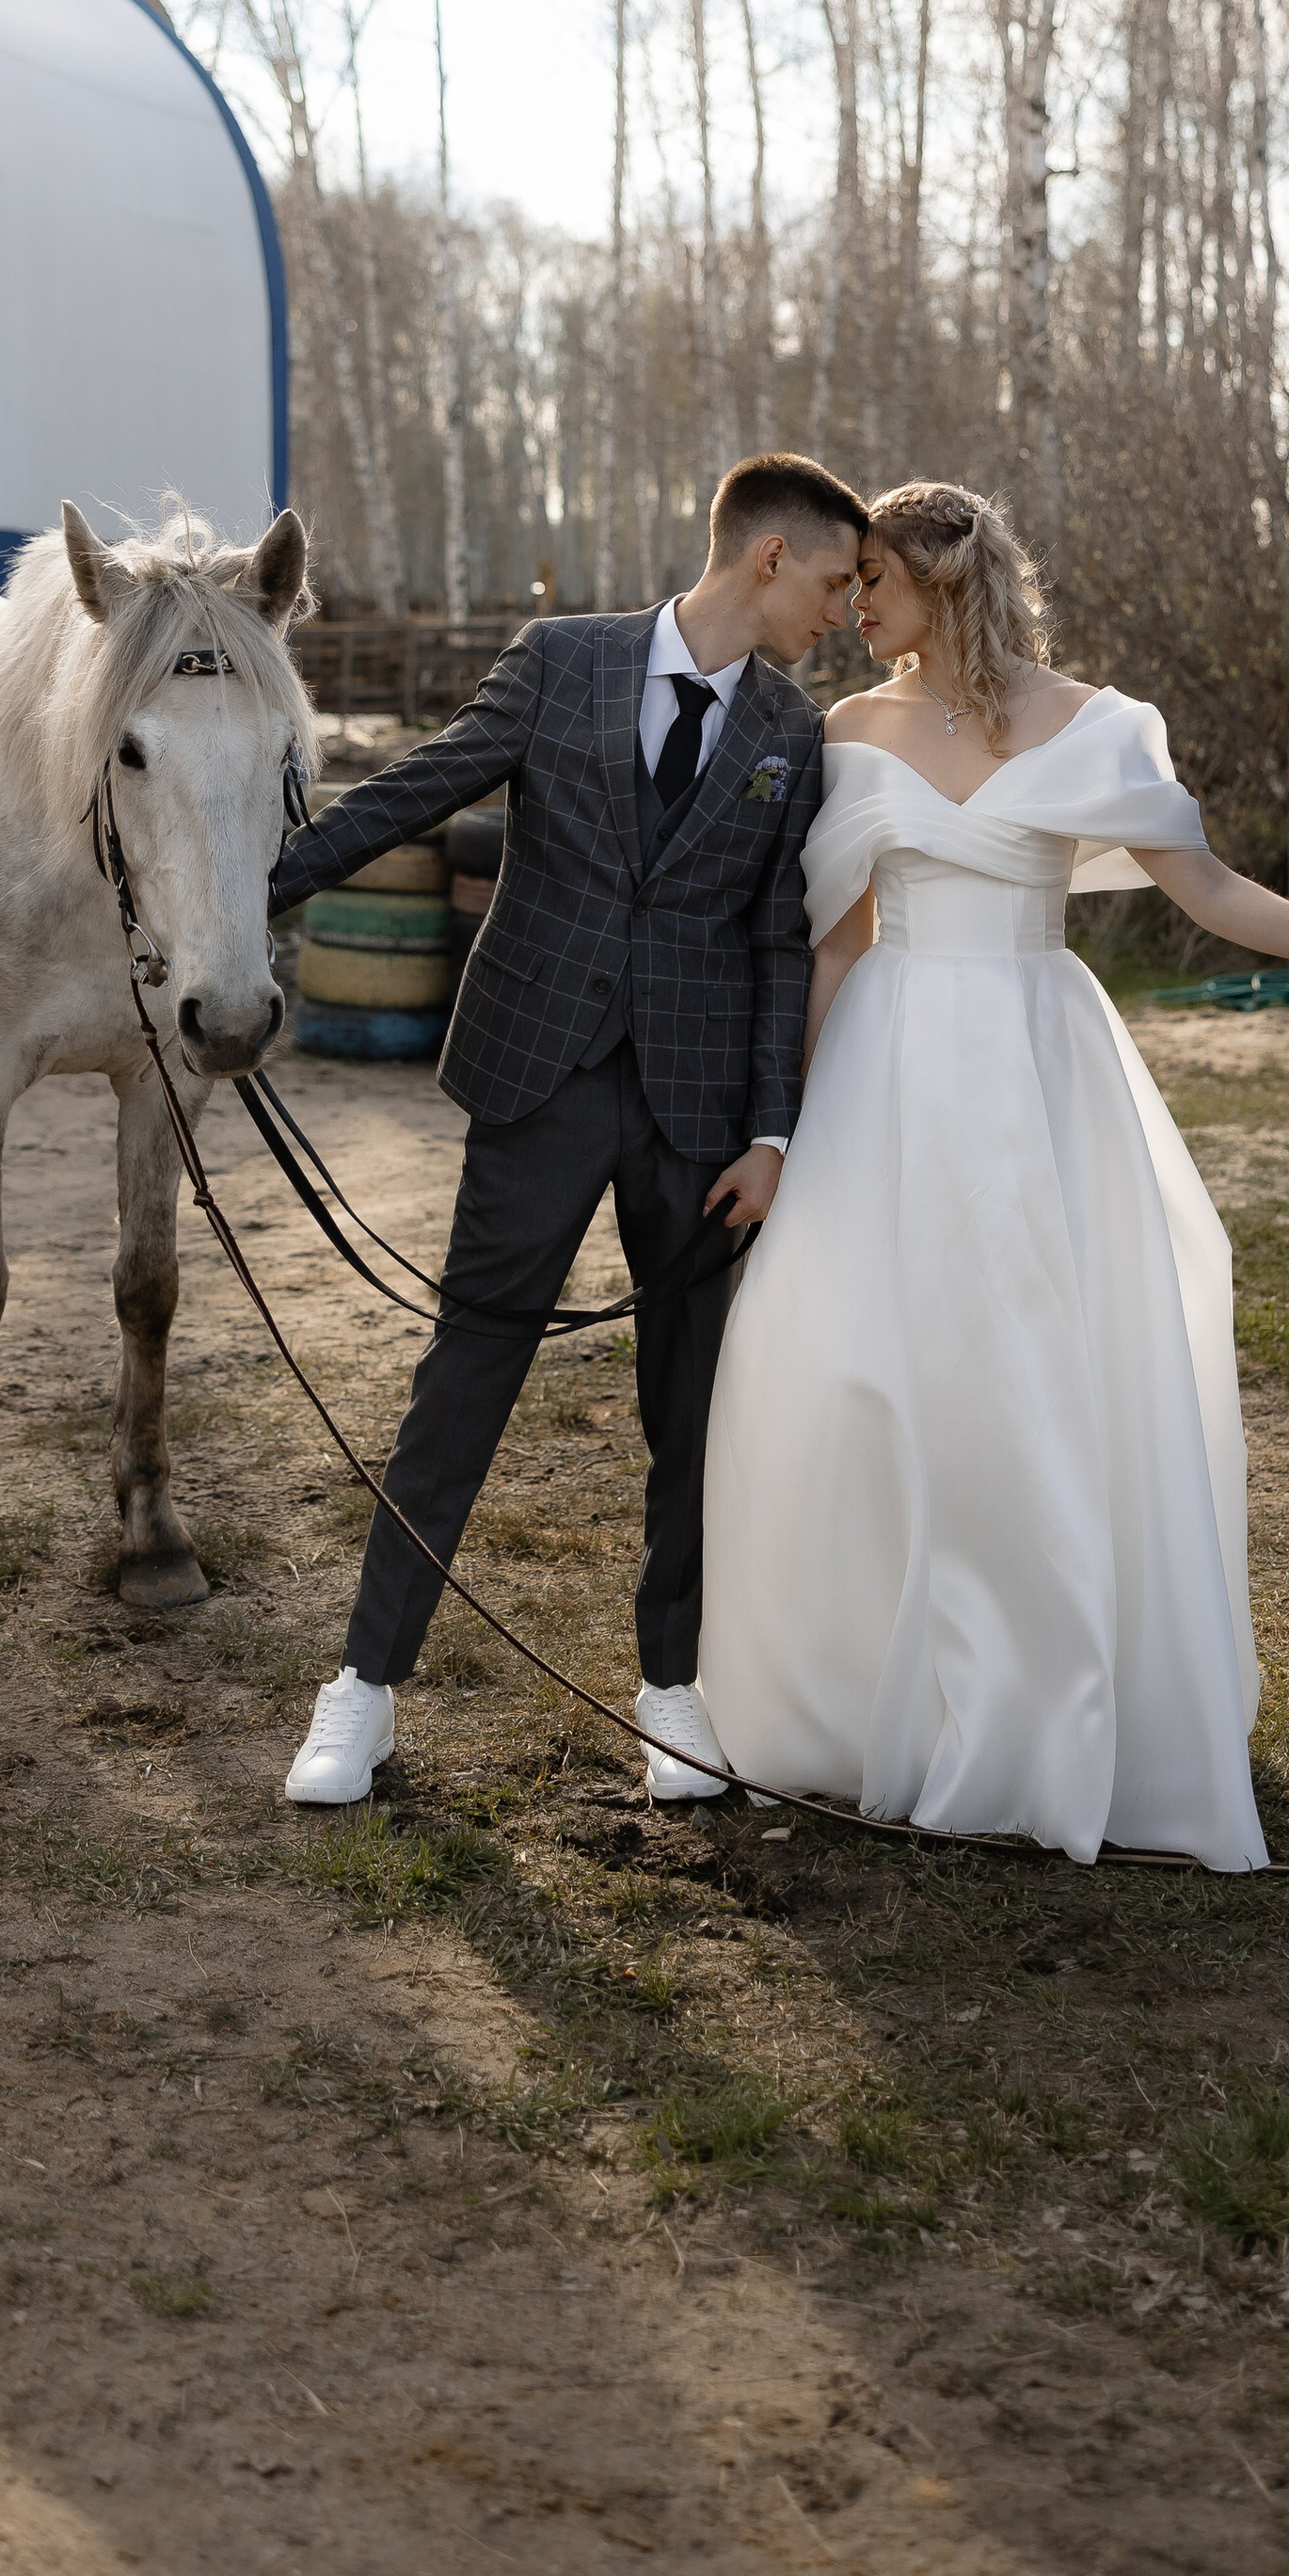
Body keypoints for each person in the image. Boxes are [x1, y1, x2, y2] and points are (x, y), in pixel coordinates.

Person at [696, 481, 1289, 1868]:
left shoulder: (1097, 725)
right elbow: (835, 946)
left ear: (943, 581)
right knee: (853, 1364)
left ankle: (1048, 1709)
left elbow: (1209, 891)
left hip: (1033, 1064)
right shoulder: (852, 730)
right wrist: (785, 1132)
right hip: (888, 1067)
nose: (854, 609)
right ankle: (853, 1689)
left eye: (877, 585)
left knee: (1033, 1378)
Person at [275, 452, 868, 1812]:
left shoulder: (794, 729)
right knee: (462, 1386)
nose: (839, 612)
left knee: (689, 1407)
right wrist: (259, 891)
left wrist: (773, 1132)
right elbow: (416, 792)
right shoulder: (562, 660)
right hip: (537, 1079)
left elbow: (782, 943)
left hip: (700, 1114)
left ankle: (673, 1696)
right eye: (834, 583)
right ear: (768, 559)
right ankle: (362, 1693)